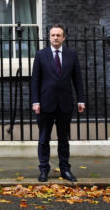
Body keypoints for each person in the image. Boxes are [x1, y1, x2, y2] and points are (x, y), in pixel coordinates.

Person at [30, 24, 85, 182]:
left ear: (63, 38)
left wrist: (81, 100)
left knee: (63, 139)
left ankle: (65, 169)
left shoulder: (71, 55)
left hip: (65, 103)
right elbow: (35, 80)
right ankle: (44, 169)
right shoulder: (41, 55)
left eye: (58, 35)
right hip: (45, 103)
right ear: (49, 37)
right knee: (44, 139)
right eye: (53, 35)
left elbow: (77, 79)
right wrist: (35, 101)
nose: (55, 38)